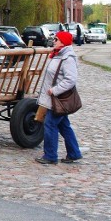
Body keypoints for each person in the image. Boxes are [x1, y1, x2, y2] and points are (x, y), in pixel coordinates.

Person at [35, 31, 83, 165]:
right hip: (53, 99)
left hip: (59, 99)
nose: (54, 41)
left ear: (63, 42)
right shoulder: (57, 55)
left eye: (56, 39)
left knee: (50, 125)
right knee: (64, 126)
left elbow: (71, 79)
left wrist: (54, 90)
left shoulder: (67, 58)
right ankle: (74, 153)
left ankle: (50, 156)